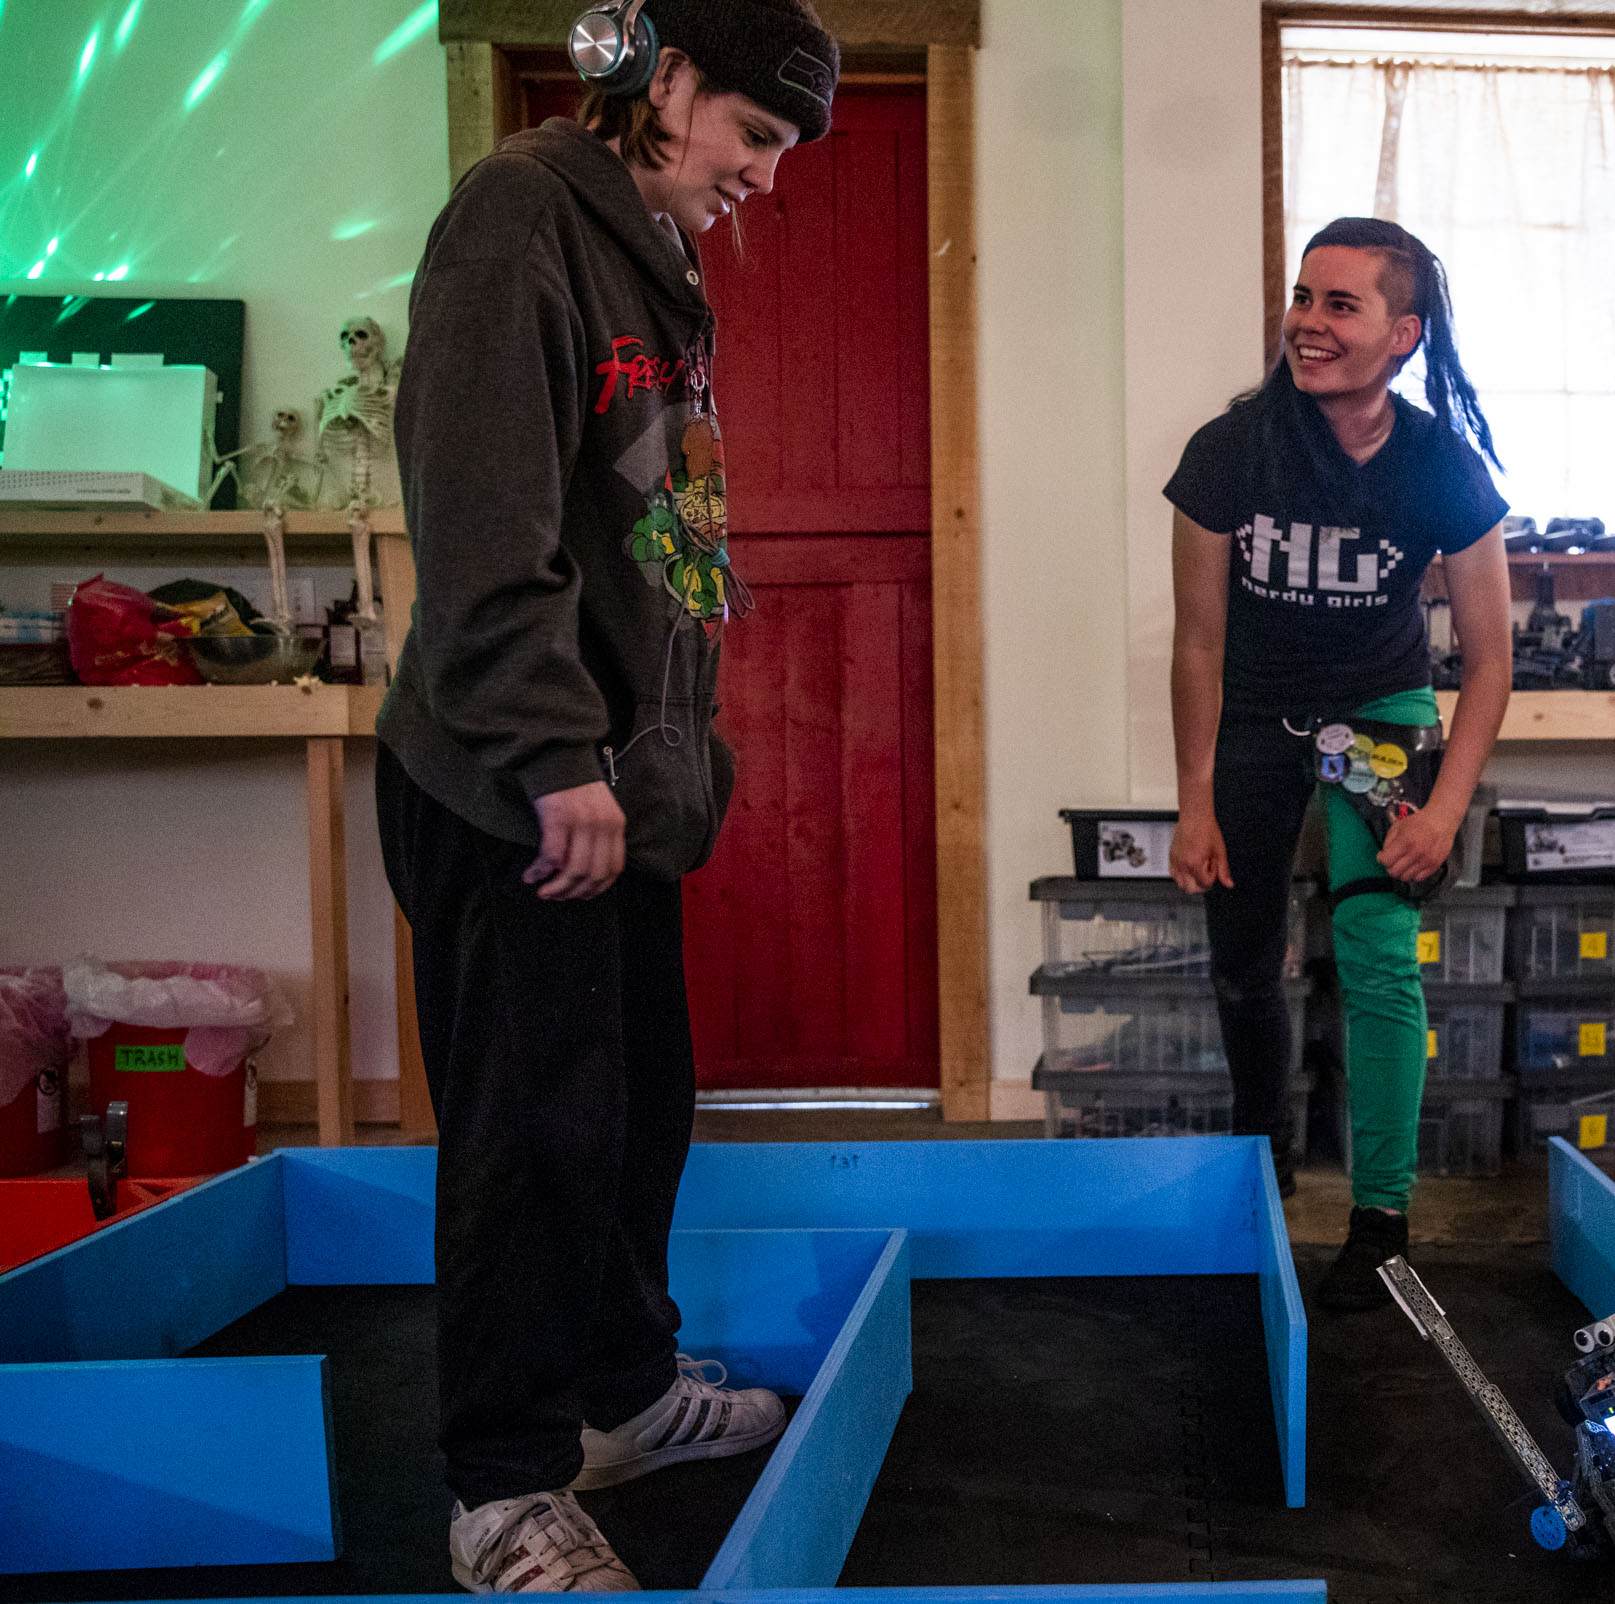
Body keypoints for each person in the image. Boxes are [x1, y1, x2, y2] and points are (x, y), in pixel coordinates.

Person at [376, 2, 839, 1590]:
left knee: (634, 1109)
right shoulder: (521, 219)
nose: (764, 179)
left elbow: (671, 526)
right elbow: (482, 511)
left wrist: (677, 753)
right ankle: (501, 1490)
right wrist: (557, 753)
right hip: (519, 783)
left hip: (621, 786)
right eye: (755, 137)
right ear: (676, 84)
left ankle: (622, 1402)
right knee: (527, 1132)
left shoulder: (656, 258)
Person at [1164, 218, 1513, 1312]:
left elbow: (1491, 657)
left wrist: (1444, 806)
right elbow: (1198, 642)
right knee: (1243, 958)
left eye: (1340, 305)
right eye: (1303, 299)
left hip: (1376, 717)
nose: (1309, 324)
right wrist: (1191, 802)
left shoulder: (1440, 467)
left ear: (1403, 333)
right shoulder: (1228, 451)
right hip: (1255, 715)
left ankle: (1379, 1220)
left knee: (1377, 958)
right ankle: (1259, 1172)